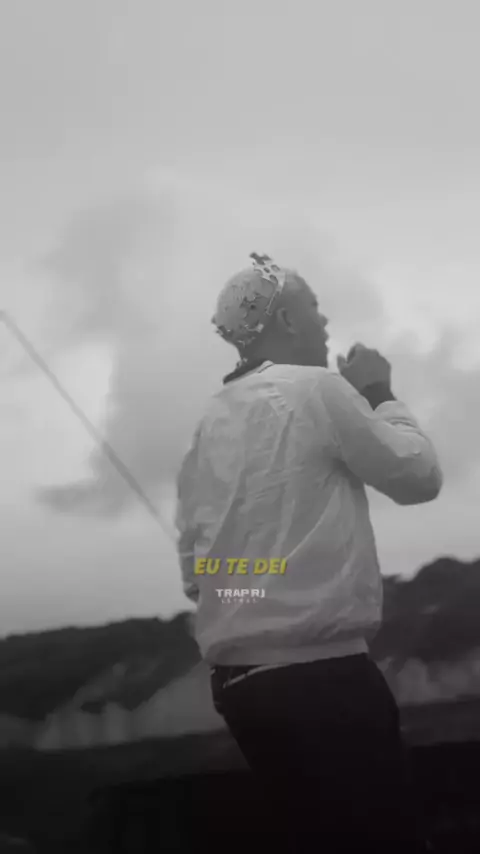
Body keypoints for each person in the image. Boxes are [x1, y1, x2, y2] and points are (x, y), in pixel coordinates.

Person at [175, 253, 442, 852]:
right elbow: (418, 478)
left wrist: (259, 592)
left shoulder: (208, 424)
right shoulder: (318, 389)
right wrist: (379, 392)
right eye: (316, 309)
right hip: (323, 680)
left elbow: (196, 573)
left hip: (241, 690)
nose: (325, 324)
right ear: (288, 321)